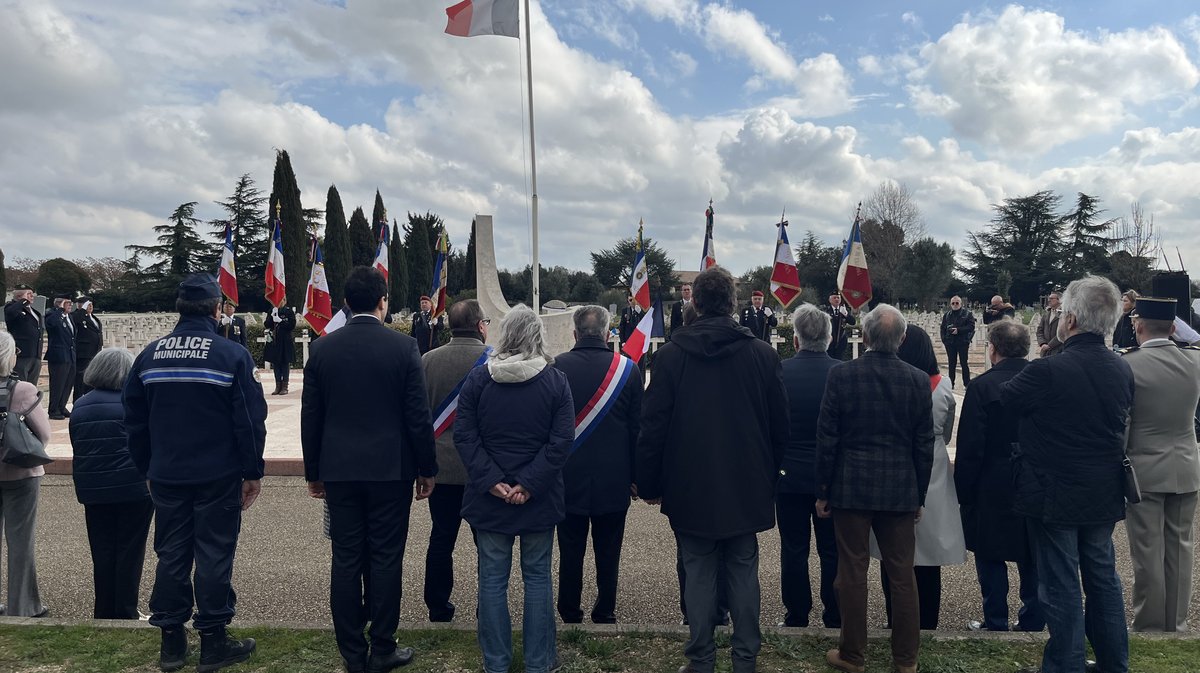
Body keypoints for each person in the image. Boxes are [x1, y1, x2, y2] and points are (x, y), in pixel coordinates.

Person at [638, 266, 788, 673]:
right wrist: (770, 476)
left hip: (691, 481)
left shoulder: (670, 357)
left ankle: (702, 657)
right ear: (735, 305)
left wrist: (648, 482)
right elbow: (781, 428)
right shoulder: (762, 356)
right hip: (746, 480)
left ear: (696, 304)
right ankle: (744, 659)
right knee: (741, 568)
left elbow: (653, 426)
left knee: (699, 569)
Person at [125, 273, 267, 673]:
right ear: (217, 310)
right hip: (217, 475)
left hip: (167, 474)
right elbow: (249, 421)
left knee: (171, 554)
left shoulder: (150, 355)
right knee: (213, 554)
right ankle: (213, 641)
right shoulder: (231, 355)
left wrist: (147, 467)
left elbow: (134, 422)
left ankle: (171, 643)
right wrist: (252, 470)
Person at [302, 267, 437, 673]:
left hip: (340, 469)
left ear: (345, 303)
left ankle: (351, 652)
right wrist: (426, 467)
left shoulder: (323, 349)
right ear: (383, 302)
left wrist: (314, 472)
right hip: (389, 470)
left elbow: (312, 417)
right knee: (385, 557)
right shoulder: (403, 347)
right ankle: (382, 647)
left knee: (345, 558)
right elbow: (418, 416)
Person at [1002, 275, 1132, 673]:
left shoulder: (1049, 371)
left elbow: (1005, 400)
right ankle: (1113, 663)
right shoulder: (1121, 369)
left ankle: (1066, 664)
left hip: (1053, 488)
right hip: (1102, 488)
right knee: (1102, 577)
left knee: (1060, 582)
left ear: (1070, 321)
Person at [814, 303, 933, 673]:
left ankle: (852, 654)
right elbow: (924, 443)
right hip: (899, 487)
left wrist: (823, 489)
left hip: (851, 485)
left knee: (852, 570)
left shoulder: (842, 376)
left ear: (863, 336)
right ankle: (906, 659)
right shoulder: (916, 379)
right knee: (902, 574)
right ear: (902, 337)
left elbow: (827, 437)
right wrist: (919, 495)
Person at [454, 305, 573, 673]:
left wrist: (492, 482)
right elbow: (560, 442)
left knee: (492, 579)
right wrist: (529, 484)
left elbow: (465, 436)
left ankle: (497, 662)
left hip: (492, 496)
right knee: (537, 577)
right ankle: (539, 662)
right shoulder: (555, 381)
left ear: (504, 335)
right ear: (538, 337)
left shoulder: (479, 380)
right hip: (537, 495)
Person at [553, 305, 642, 624]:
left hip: (567, 477)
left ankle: (569, 611)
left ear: (574, 334)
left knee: (570, 550)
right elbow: (636, 429)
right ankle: (605, 611)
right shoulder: (628, 370)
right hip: (614, 478)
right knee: (609, 551)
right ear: (608, 334)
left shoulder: (557, 366)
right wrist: (636, 477)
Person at [954, 319, 1043, 633]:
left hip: (993, 479)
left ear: (992, 349)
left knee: (990, 554)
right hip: (1035, 477)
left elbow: (971, 447)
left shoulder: (981, 387)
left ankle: (996, 621)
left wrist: (963, 492)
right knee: (1032, 552)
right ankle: (1034, 618)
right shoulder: (1044, 383)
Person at [876, 324, 966, 630]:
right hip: (934, 468)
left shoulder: (890, 383)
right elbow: (948, 431)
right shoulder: (943, 387)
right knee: (929, 555)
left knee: (893, 553)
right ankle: (928, 621)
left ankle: (895, 619)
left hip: (895, 465)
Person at [1120, 296, 1200, 632]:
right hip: (1185, 465)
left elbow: (1123, 422)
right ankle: (1176, 624)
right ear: (1172, 327)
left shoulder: (1127, 364)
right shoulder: (1195, 361)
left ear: (1137, 325)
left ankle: (1151, 625)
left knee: (1148, 552)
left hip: (1144, 471)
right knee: (1181, 549)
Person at [69, 347, 153, 620]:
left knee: (102, 552)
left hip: (93, 489)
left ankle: (104, 610)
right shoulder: (133, 404)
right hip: (132, 487)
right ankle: (126, 610)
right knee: (130, 551)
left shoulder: (80, 404)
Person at [420, 299, 490, 623]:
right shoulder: (494, 362)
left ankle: (437, 605)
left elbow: (418, 417)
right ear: (479, 326)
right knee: (487, 545)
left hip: (441, 468)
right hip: (483, 469)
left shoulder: (428, 361)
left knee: (441, 538)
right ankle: (485, 606)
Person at [777, 304, 840, 628]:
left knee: (794, 548)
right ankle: (835, 614)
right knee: (832, 551)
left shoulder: (781, 371)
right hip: (832, 477)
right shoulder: (842, 372)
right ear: (829, 338)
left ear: (796, 339)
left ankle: (797, 613)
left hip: (789, 474)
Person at [0, 331, 50, 618]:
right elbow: (42, 435)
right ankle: (23, 606)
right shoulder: (24, 390)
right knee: (21, 543)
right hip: (20, 471)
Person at [3, 284, 43, 384]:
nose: (32, 296)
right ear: (19, 296)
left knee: (32, 386)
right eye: (29, 294)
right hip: (22, 354)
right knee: (20, 384)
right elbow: (11, 313)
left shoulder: (34, 312)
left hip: (35, 353)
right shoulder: (11, 307)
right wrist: (23, 301)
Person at [43, 296, 76, 420]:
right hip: (58, 355)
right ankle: (53, 409)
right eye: (67, 303)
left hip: (70, 355)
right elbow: (53, 325)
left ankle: (62, 406)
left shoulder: (69, 317)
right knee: (58, 383)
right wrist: (59, 310)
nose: (70, 306)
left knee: (67, 383)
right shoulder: (52, 315)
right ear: (59, 305)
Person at [71, 296, 104, 401]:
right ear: (80, 305)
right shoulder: (76, 315)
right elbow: (76, 320)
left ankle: (90, 398)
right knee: (80, 379)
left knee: (92, 378)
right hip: (84, 353)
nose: (90, 307)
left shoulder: (94, 318)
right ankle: (79, 400)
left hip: (95, 352)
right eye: (87, 305)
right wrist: (82, 310)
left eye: (91, 305)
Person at [939, 295, 976, 387]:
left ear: (961, 304)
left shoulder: (967, 314)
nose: (955, 305)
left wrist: (958, 330)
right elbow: (943, 328)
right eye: (953, 303)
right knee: (951, 363)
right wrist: (944, 340)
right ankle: (951, 383)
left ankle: (966, 383)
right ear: (950, 304)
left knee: (964, 363)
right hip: (950, 342)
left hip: (962, 342)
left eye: (957, 303)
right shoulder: (947, 315)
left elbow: (971, 326)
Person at [263, 304, 296, 395]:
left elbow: (291, 325)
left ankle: (285, 386)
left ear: (284, 300)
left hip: (285, 341)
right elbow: (266, 324)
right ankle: (278, 386)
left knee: (285, 363)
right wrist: (272, 316)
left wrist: (281, 321)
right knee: (276, 363)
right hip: (275, 341)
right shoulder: (272, 310)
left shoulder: (289, 311)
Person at [823, 293, 856, 360]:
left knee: (839, 360)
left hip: (841, 341)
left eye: (838, 298)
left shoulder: (844, 310)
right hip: (829, 341)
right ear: (830, 300)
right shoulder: (826, 310)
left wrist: (846, 314)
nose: (837, 299)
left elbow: (853, 322)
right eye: (834, 298)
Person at [1037, 292, 1063, 357]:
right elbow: (1039, 330)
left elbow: (1062, 332)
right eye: (1049, 298)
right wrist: (1043, 343)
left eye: (1051, 298)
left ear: (1059, 300)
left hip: (1059, 350)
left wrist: (1049, 345)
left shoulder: (1064, 314)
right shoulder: (1046, 314)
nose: (1048, 300)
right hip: (1045, 352)